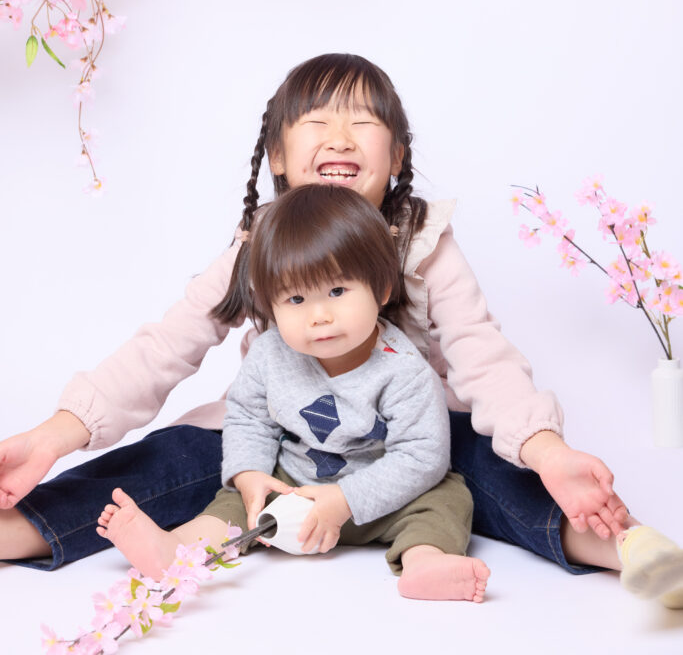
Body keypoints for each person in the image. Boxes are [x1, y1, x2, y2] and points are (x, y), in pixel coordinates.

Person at [1, 53, 682, 606]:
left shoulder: (424, 244)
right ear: (277, 155)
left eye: (362, 122)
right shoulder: (257, 246)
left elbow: (483, 357)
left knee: (503, 471)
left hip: (415, 445)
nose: (339, 137)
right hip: (278, 444)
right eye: (316, 121)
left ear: (396, 157)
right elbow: (165, 347)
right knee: (170, 456)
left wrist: (547, 451)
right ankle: (26, 529)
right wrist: (52, 435)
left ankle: (624, 546)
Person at [96, 185, 490, 602]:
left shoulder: (404, 371)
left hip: (383, 500)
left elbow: (421, 456)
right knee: (233, 502)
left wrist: (345, 499)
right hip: (291, 490)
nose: (319, 316)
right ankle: (177, 550)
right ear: (270, 306)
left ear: (382, 289)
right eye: (297, 298)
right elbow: (248, 418)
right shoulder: (270, 354)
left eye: (337, 292)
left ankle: (425, 560)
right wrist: (250, 475)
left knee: (445, 498)